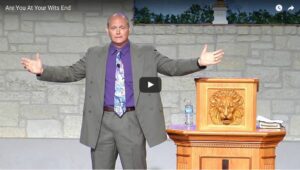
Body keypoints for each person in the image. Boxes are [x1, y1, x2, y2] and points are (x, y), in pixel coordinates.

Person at [21, 12, 224, 169]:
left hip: (132, 122)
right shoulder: (94, 54)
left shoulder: (146, 53)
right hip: (102, 123)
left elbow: (172, 67)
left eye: (122, 27)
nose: (118, 31)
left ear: (128, 29)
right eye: (113, 27)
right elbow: (70, 73)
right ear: (107, 30)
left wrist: (199, 62)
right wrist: (43, 70)